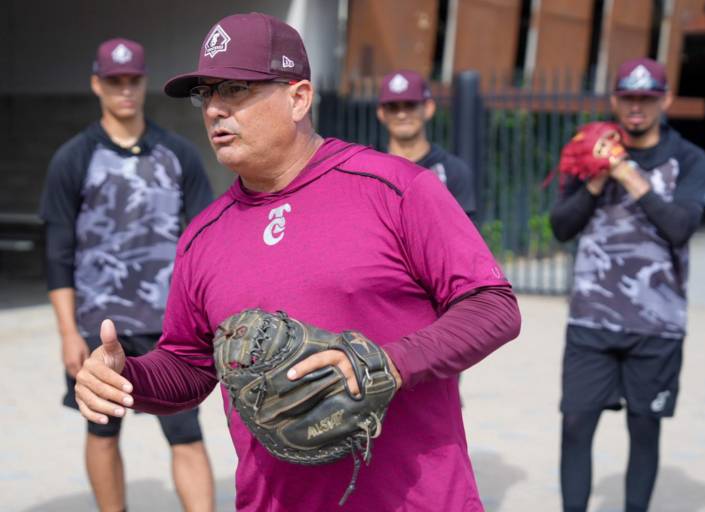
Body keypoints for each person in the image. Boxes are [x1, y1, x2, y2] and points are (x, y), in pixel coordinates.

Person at [72, 13, 521, 512]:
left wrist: (394, 363)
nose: (216, 110)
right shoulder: (202, 237)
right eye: (207, 94)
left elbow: (493, 305)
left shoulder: (395, 188)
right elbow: (188, 365)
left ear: (299, 97)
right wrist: (126, 376)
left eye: (236, 90)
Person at [40, 38, 215, 512]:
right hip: (99, 327)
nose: (124, 90)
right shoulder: (73, 159)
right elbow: (58, 253)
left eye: (132, 80)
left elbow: (205, 243)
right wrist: (66, 333)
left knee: (186, 434)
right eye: (114, 81)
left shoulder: (178, 154)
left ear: (144, 83)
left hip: (169, 327)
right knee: (101, 432)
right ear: (97, 84)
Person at [550, 57, 705, 512]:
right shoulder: (588, 150)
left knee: (644, 426)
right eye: (628, 97)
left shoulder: (688, 158)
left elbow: (680, 227)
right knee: (576, 424)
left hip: (657, 324)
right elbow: (561, 227)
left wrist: (626, 173)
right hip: (591, 319)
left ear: (666, 100)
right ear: (614, 100)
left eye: (647, 98)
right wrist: (598, 178)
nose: (636, 107)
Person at [377, 69, 476, 218]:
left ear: (428, 108)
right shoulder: (370, 170)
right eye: (393, 107)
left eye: (410, 105)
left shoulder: (453, 171)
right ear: (381, 113)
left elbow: (464, 236)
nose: (402, 114)